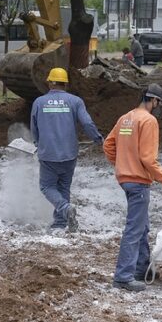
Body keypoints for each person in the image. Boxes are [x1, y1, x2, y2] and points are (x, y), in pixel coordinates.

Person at [103, 83, 162, 292]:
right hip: (138, 182)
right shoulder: (148, 120)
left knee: (142, 225)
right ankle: (123, 277)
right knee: (134, 229)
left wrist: (122, 163)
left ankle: (142, 268)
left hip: (126, 180)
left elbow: (108, 145)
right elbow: (148, 158)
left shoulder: (125, 118)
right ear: (153, 100)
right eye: (160, 104)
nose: (159, 108)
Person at [30, 67, 103, 233]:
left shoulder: (39, 102)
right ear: (65, 84)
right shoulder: (75, 101)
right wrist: (97, 138)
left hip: (48, 154)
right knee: (63, 187)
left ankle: (64, 209)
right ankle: (61, 222)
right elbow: (87, 123)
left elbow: (34, 128)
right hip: (69, 154)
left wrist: (38, 143)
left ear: (50, 83)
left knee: (46, 187)